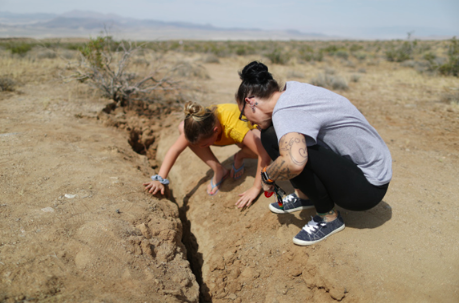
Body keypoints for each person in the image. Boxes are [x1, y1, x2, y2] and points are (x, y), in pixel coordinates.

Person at [235, 61, 392, 245]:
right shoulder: (292, 91)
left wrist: (267, 176)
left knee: (274, 139)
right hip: (366, 173)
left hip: (366, 189)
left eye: (244, 116)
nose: (251, 124)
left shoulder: (286, 111)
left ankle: (329, 218)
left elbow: (294, 162)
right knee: (275, 137)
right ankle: (305, 196)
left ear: (250, 102)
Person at [143, 101, 271, 208]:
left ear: (215, 131)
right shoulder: (200, 122)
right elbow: (175, 149)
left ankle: (241, 155)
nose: (199, 148)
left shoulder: (234, 128)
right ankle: (219, 169)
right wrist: (160, 178)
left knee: (267, 146)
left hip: (250, 130)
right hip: (226, 135)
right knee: (183, 128)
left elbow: (264, 153)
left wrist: (255, 188)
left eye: (203, 145)